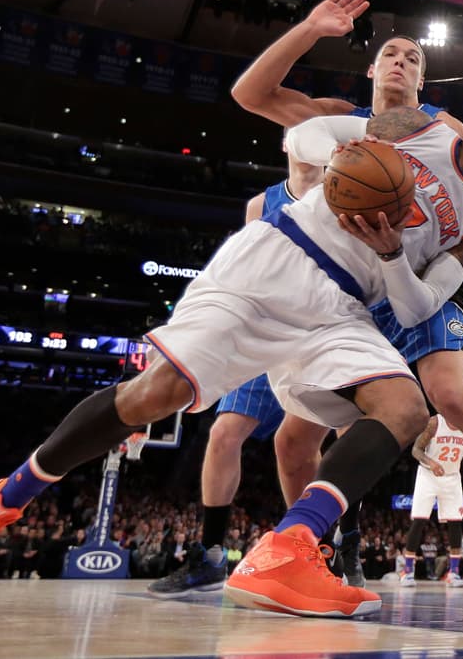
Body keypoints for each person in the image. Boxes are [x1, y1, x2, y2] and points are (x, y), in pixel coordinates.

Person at [0, 105, 463, 618]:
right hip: (276, 262)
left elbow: (417, 306)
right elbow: (308, 133)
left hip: (345, 308)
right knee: (158, 394)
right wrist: (327, 168)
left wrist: (395, 253)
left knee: (403, 408)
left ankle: (287, 549)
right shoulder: (419, 128)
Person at [231, 0, 463, 611]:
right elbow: (250, 95)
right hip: (354, 294)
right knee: (292, 440)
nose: (401, 61)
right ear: (371, 69)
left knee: (452, 395)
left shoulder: (448, 129)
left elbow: (455, 246)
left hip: (423, 290)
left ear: (426, 81)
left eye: (415, 58)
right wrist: (312, 28)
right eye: (391, 54)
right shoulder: (339, 124)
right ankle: (328, 550)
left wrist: (400, 255)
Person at [147, 142, 331, 598]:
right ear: (287, 142)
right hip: (263, 330)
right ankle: (211, 554)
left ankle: (321, 551)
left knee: (302, 449)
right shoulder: (261, 204)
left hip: (318, 332)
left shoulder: (344, 190)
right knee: (223, 434)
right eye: (299, 132)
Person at [399, 414, 463, 588]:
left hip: (452, 477)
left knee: (456, 523)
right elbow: (416, 450)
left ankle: (454, 573)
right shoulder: (435, 422)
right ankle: (408, 571)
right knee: (419, 521)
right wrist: (431, 462)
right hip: (428, 475)